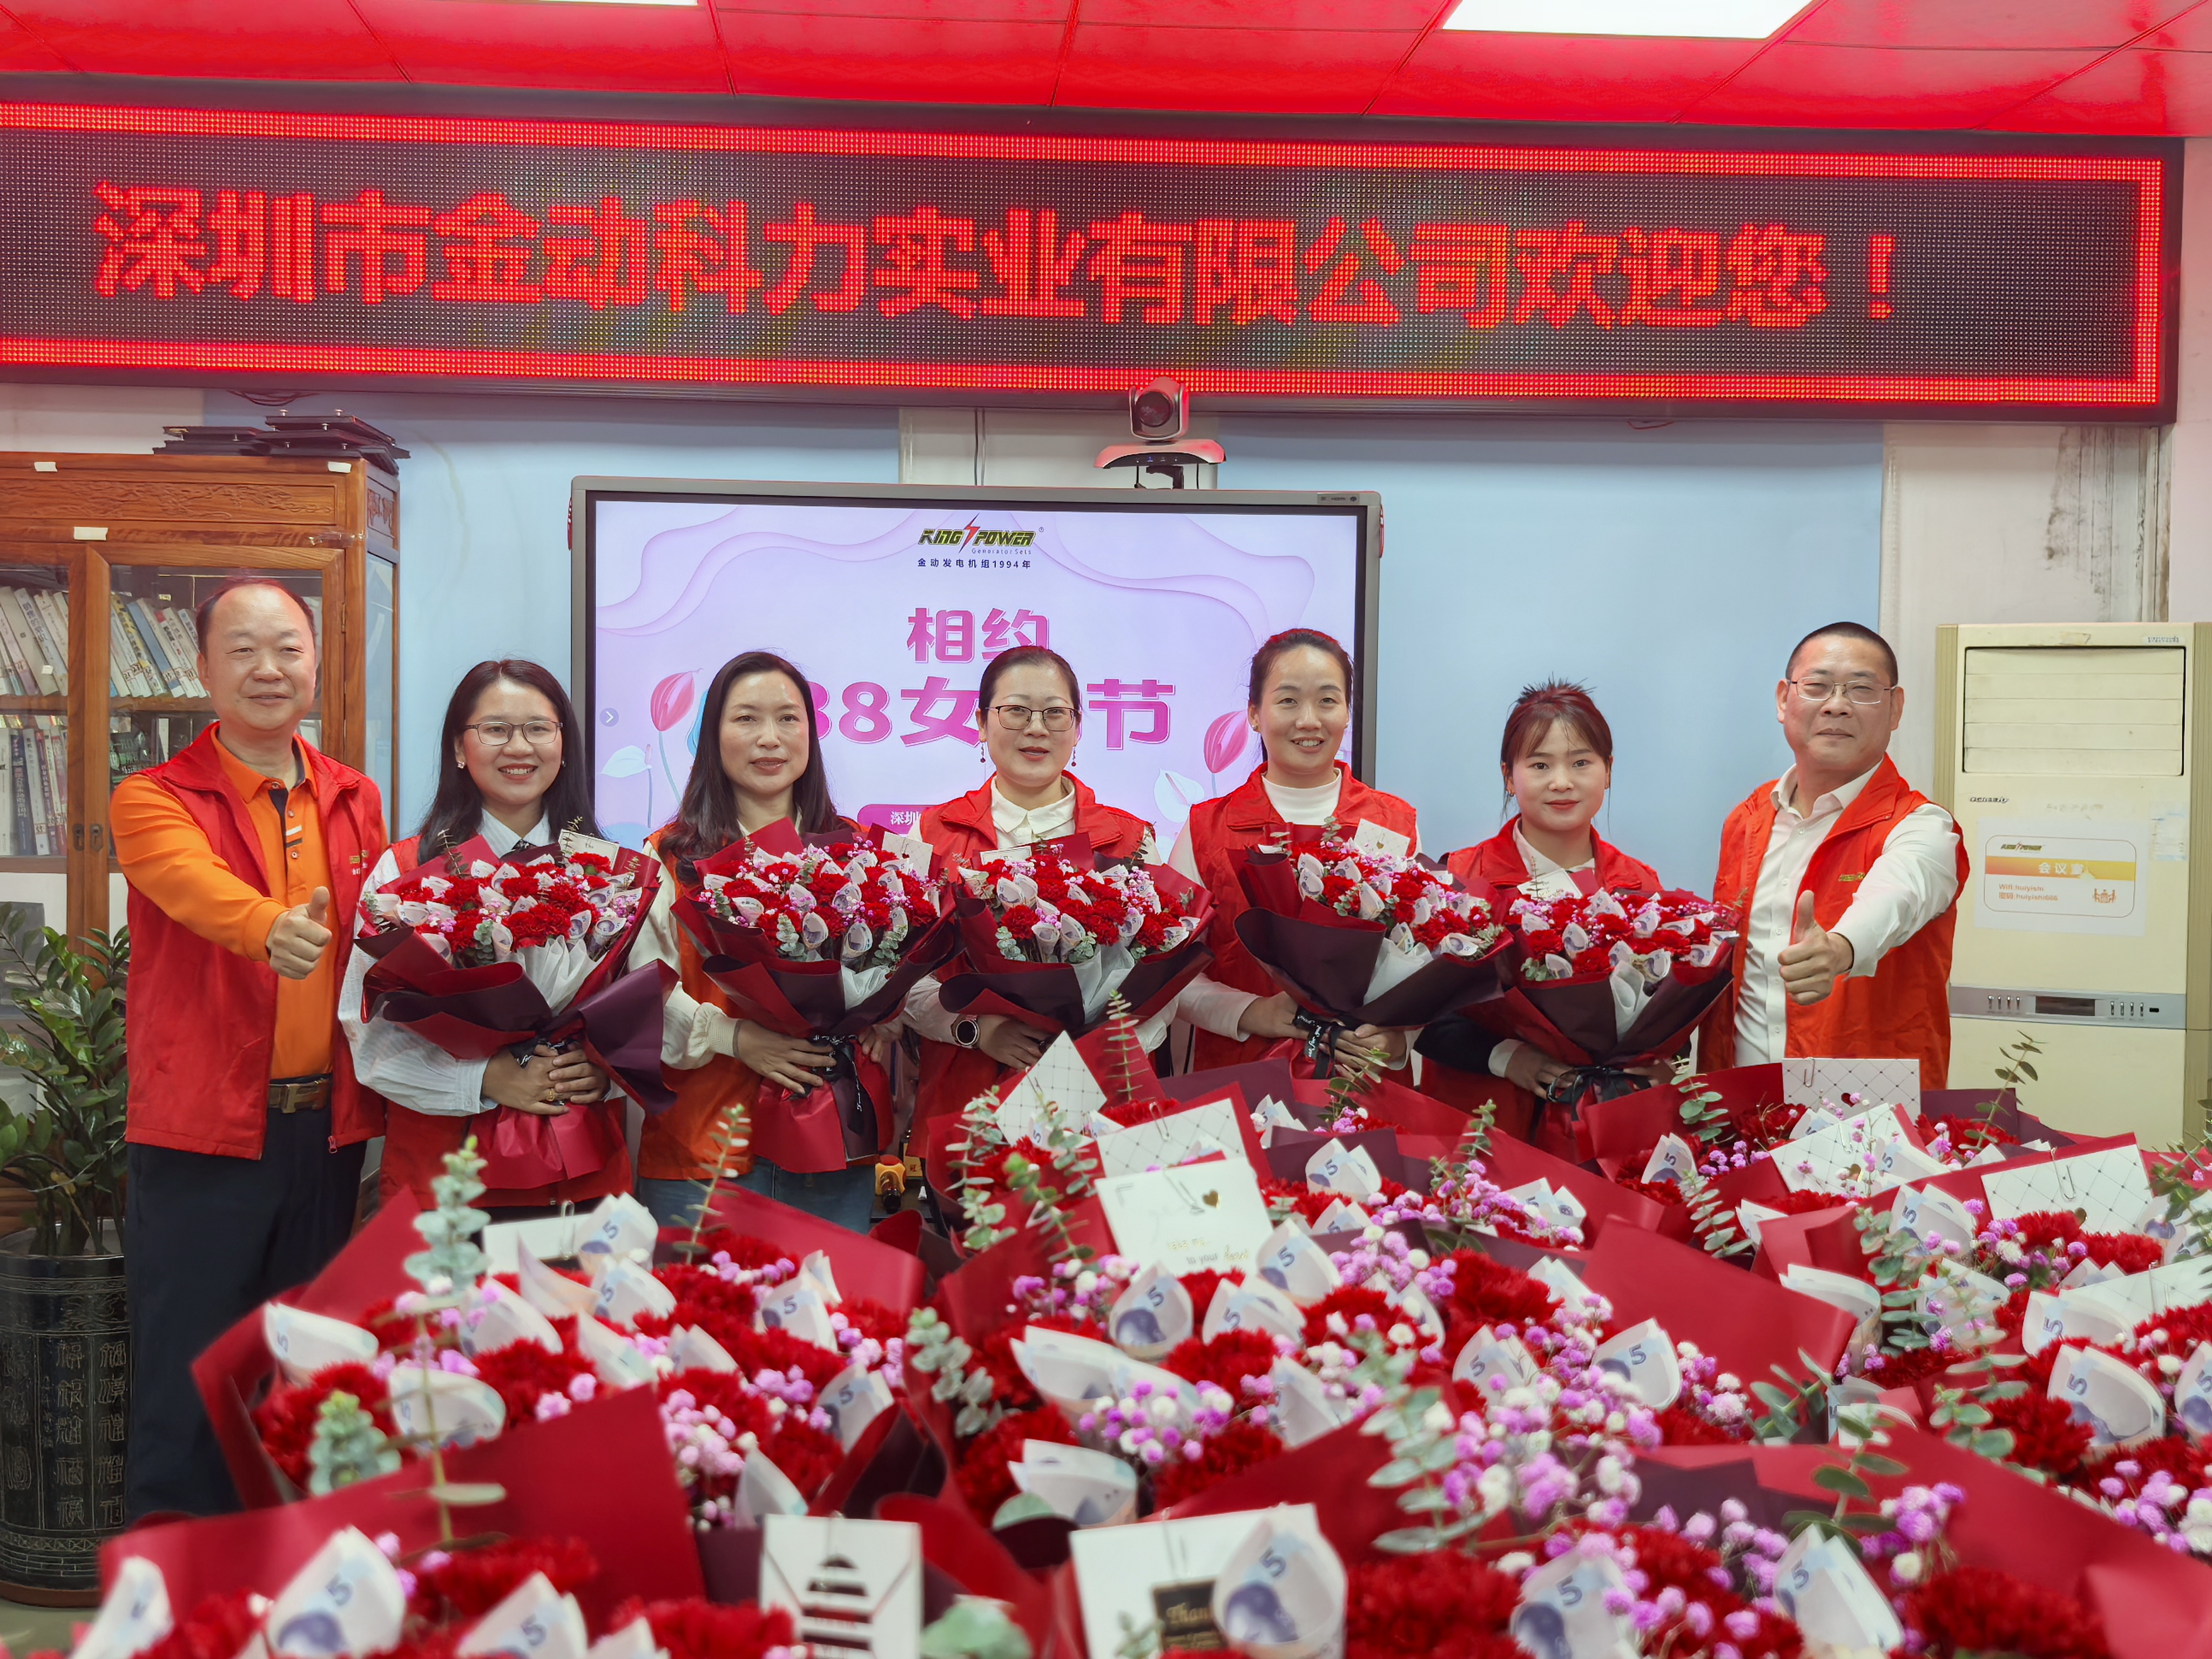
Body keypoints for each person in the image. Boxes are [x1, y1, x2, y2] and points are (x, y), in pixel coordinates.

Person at [112, 576, 387, 1519]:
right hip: (205, 1137)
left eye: (287, 648)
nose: (268, 669)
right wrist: (272, 927)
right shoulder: (152, 797)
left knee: (302, 1377)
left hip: (327, 1135)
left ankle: (285, 1575)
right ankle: (177, 1586)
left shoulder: (354, 794)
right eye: (242, 650)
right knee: (190, 1386)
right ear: (203, 669)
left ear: (315, 664)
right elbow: (190, 884)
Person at [339, 660, 617, 1216]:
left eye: (538, 728)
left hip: (578, 1168)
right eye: (495, 729)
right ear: (460, 749)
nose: (519, 747)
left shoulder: (611, 871)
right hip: (442, 1173)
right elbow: (366, 1033)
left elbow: (647, 1013)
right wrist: (485, 1078)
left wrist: (603, 1072)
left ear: (564, 745)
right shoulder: (404, 873)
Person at [631, 651, 881, 1233]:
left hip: (829, 1140)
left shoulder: (857, 851)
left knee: (833, 1295)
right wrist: (736, 1038)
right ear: (712, 735)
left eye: (788, 719)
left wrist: (882, 1015)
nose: (770, 738)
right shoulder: (668, 857)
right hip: (704, 1145)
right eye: (746, 719)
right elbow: (642, 996)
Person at [1697, 621, 1969, 1088]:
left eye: (1861, 690)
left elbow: (1898, 894)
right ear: (1783, 700)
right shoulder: (1747, 819)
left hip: (1865, 1111)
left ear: (1895, 708)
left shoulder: (1923, 827)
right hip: (1739, 1100)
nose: (1837, 705)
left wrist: (1841, 949)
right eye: (1818, 686)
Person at [905, 645, 1155, 1134]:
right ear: (981, 723)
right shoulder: (932, 835)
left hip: (1101, 1100)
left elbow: (1162, 988)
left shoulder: (1131, 840)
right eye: (1016, 711)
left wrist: (1094, 1047)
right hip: (967, 1096)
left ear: (1078, 728)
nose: (1036, 728)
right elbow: (902, 980)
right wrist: (978, 1030)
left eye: (1055, 713)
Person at [1417, 682, 1663, 1142]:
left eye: (1581, 763)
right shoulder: (1461, 877)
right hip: (1478, 1126)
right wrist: (1506, 1057)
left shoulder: (1639, 887)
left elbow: (1666, 1013)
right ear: (1509, 777)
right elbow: (1418, 1014)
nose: (1562, 782)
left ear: (1608, 771)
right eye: (1540, 765)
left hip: (1597, 1130)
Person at [1170, 629, 1417, 1073]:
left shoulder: (1393, 823)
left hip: (1360, 1077)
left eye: (1327, 700)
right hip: (1239, 1076)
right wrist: (1252, 1012)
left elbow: (1423, 963)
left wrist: (1398, 1039)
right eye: (1288, 701)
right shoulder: (1207, 828)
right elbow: (1170, 971)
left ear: (1348, 711)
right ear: (1254, 714)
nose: (1308, 720)